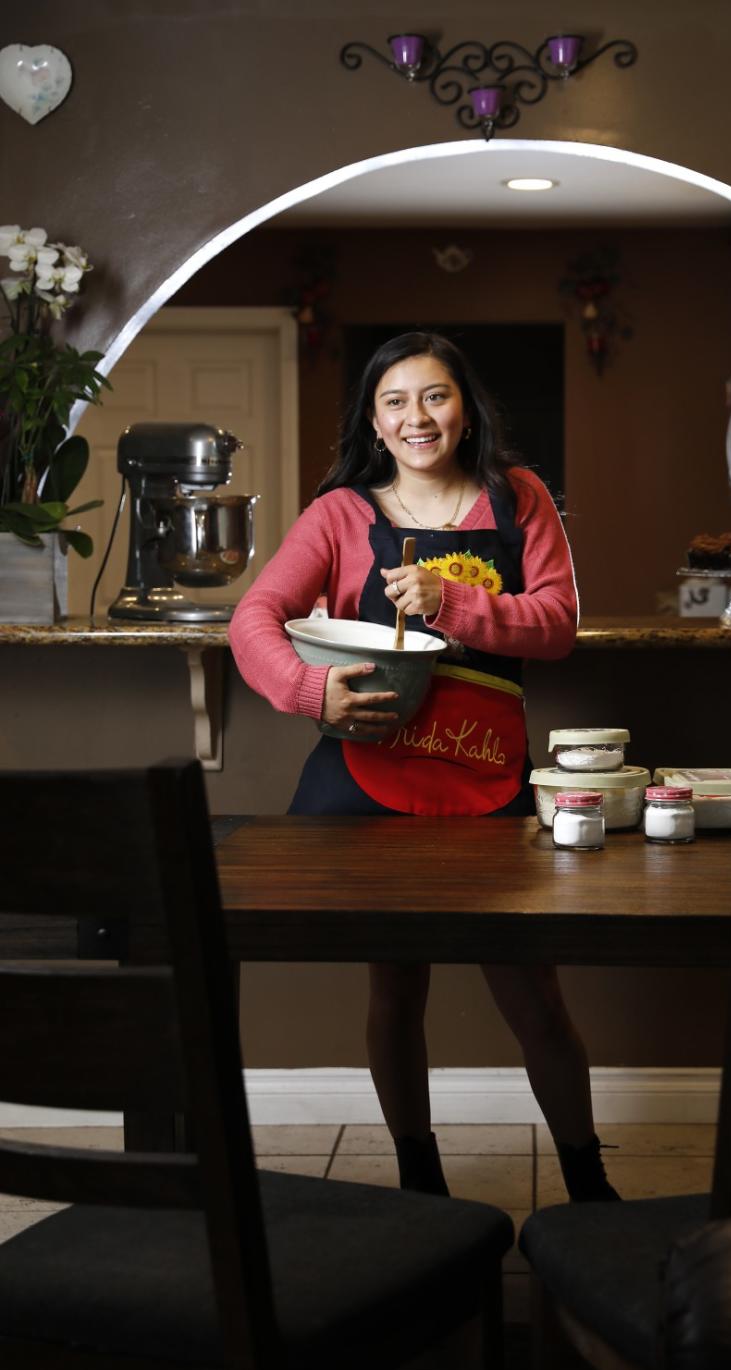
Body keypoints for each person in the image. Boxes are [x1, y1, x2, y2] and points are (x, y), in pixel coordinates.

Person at [229, 331, 618, 1201]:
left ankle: (588, 1182)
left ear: (466, 408)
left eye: (435, 396)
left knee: (535, 999)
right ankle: (418, 1179)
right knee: (396, 991)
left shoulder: (519, 502)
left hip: (488, 787)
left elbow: (556, 624)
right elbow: (252, 618)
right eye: (395, 401)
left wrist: (455, 601)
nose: (417, 417)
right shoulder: (339, 515)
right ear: (373, 419)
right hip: (372, 788)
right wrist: (307, 691)